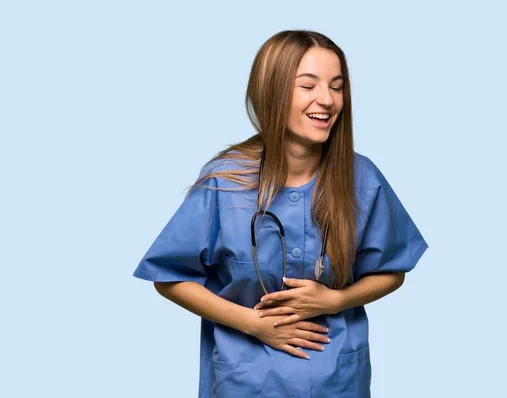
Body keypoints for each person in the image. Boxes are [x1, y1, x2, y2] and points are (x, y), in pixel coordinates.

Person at [133, 29, 428, 398]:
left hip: (336, 378)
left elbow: (392, 270)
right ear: (272, 91)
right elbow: (169, 276)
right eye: (309, 85)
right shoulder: (226, 181)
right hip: (248, 379)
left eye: (337, 86)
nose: (328, 99)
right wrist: (254, 323)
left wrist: (336, 300)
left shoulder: (362, 179)